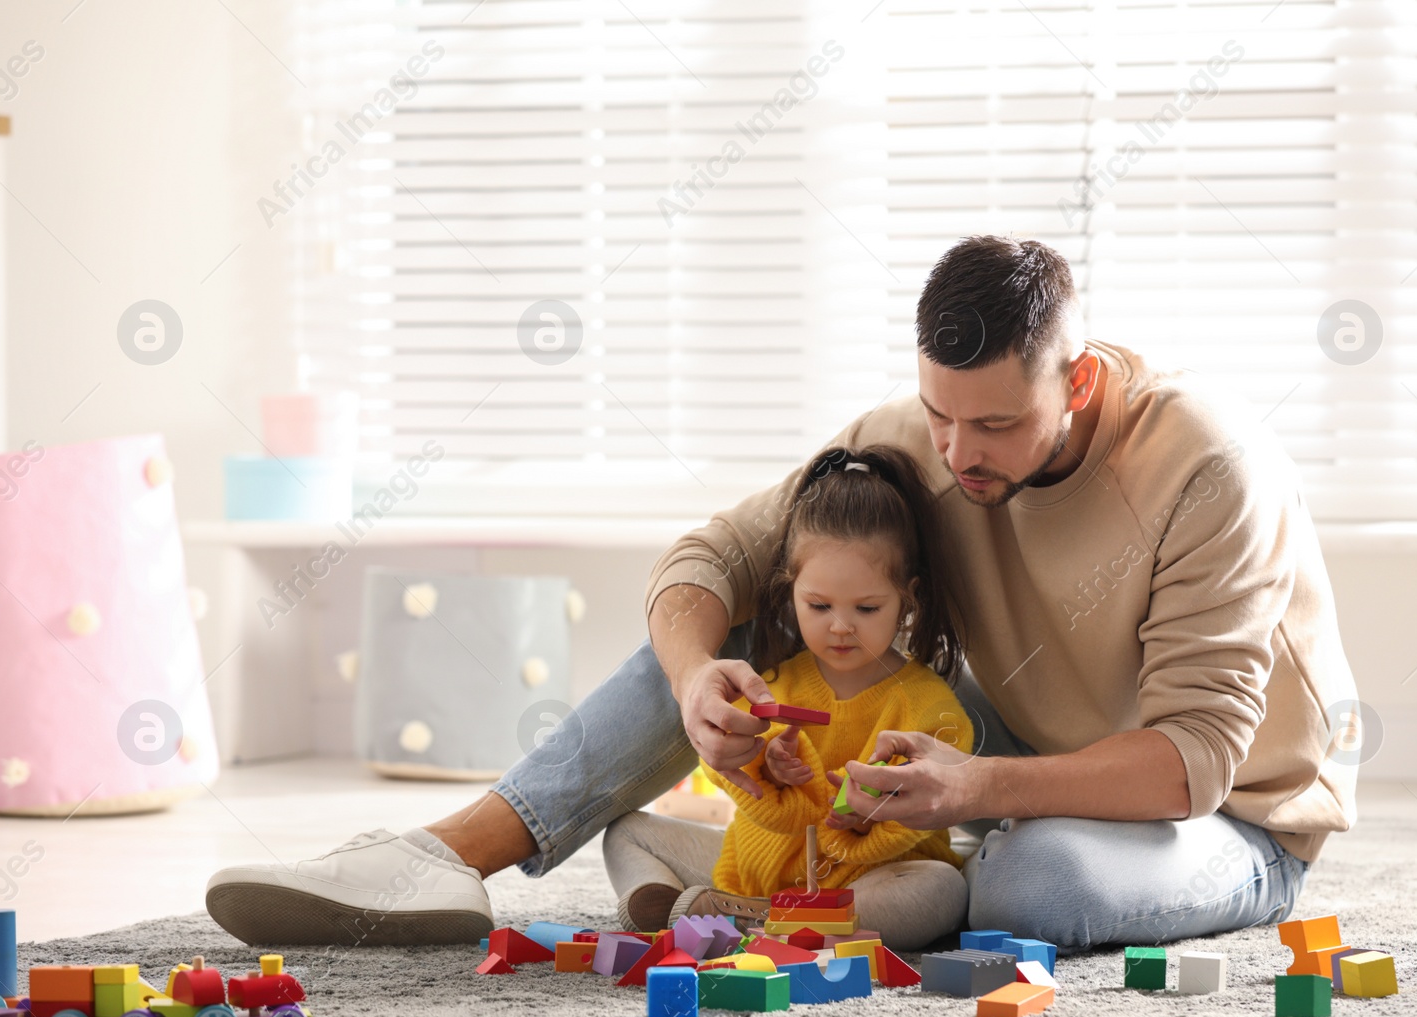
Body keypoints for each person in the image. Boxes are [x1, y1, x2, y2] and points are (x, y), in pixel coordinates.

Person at [206, 235, 1357, 952]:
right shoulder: (927, 437)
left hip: (1226, 817)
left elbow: (1191, 758)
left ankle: (731, 870)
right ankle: (447, 850)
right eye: (940, 411)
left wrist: (974, 785)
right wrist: (695, 673)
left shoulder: (1207, 465)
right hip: (1017, 749)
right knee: (790, 605)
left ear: (1083, 379)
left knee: (1029, 883)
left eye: (998, 422)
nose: (957, 450)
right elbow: (712, 557)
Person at [602, 444, 975, 950]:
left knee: (943, 888)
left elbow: (935, 801)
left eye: (867, 608)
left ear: (907, 598)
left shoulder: (929, 705)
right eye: (818, 605)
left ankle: (754, 922)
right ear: (791, 588)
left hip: (862, 882)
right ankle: (679, 906)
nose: (840, 627)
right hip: (753, 874)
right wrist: (767, 769)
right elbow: (739, 778)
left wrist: (873, 816)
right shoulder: (771, 683)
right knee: (625, 831)